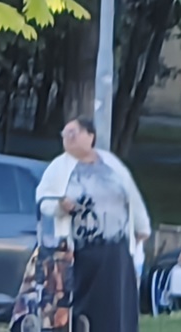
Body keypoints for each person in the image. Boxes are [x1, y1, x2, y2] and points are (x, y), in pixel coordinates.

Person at [35, 116, 151, 332]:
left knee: (116, 303)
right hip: (81, 251)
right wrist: (60, 206)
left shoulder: (112, 164)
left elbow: (131, 196)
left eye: (73, 133)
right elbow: (43, 201)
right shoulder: (59, 167)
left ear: (90, 136)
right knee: (87, 305)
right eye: (65, 134)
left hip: (115, 248)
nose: (68, 138)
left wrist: (142, 227)